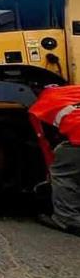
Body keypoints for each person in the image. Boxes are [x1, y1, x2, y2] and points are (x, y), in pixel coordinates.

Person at [29, 84, 80, 236]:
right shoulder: (75, 89)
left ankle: (67, 219)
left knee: (63, 171)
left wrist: (50, 170)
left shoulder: (38, 106)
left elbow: (43, 140)